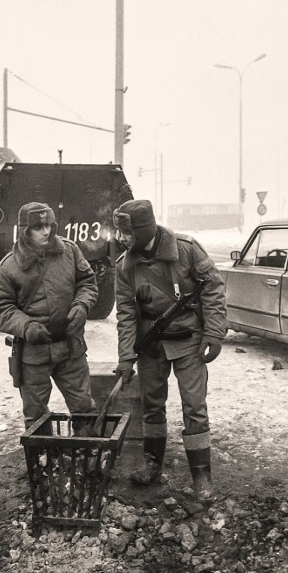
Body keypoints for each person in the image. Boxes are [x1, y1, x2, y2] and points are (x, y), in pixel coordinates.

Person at [112, 199, 227, 501]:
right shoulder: (125, 266)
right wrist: (126, 357)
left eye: (126, 233)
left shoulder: (187, 249)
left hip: (189, 341)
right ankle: (152, 465)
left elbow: (213, 289)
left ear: (142, 230)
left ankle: (201, 475)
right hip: (151, 344)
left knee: (194, 406)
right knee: (152, 405)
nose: (120, 238)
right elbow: (125, 314)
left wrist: (214, 333)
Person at [0, 201, 98, 432]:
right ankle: (43, 461)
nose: (46, 231)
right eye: (38, 228)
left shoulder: (70, 251)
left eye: (49, 225)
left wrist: (81, 305)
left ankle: (87, 458)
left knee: (84, 408)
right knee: (36, 415)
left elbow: (87, 282)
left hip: (70, 347)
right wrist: (27, 326)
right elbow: (0, 308)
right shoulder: (9, 266)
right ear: (25, 231)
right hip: (33, 353)